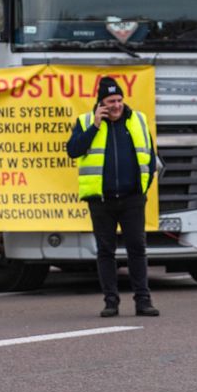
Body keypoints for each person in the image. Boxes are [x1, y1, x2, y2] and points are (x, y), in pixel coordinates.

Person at [66, 76, 160, 317]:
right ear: (101, 104)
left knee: (137, 250)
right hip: (102, 201)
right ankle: (111, 302)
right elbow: (73, 150)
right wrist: (95, 126)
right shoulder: (86, 122)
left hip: (132, 199)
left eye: (119, 99)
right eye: (110, 101)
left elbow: (150, 158)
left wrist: (142, 190)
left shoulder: (137, 120)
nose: (116, 105)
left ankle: (143, 301)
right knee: (105, 252)